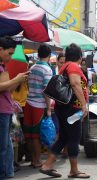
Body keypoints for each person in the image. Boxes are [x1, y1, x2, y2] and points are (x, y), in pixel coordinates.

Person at [40, 43, 90, 178]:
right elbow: (74, 83)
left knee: (64, 138)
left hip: (63, 107)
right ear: (79, 57)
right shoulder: (73, 66)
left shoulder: (64, 66)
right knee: (74, 137)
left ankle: (47, 165)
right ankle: (74, 170)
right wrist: (84, 105)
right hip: (72, 108)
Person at [0, 36, 29, 179]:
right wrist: (16, 80)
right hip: (2, 111)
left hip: (5, 110)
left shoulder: (3, 66)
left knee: (6, 144)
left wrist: (18, 80)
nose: (11, 57)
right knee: (4, 146)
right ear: (1, 49)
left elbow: (7, 90)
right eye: (9, 53)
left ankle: (7, 172)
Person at [23, 44, 53, 168]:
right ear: (49, 55)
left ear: (38, 54)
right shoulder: (47, 70)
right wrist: (49, 108)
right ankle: (37, 161)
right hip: (38, 105)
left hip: (28, 103)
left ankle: (32, 160)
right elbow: (47, 90)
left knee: (29, 134)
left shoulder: (33, 67)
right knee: (36, 135)